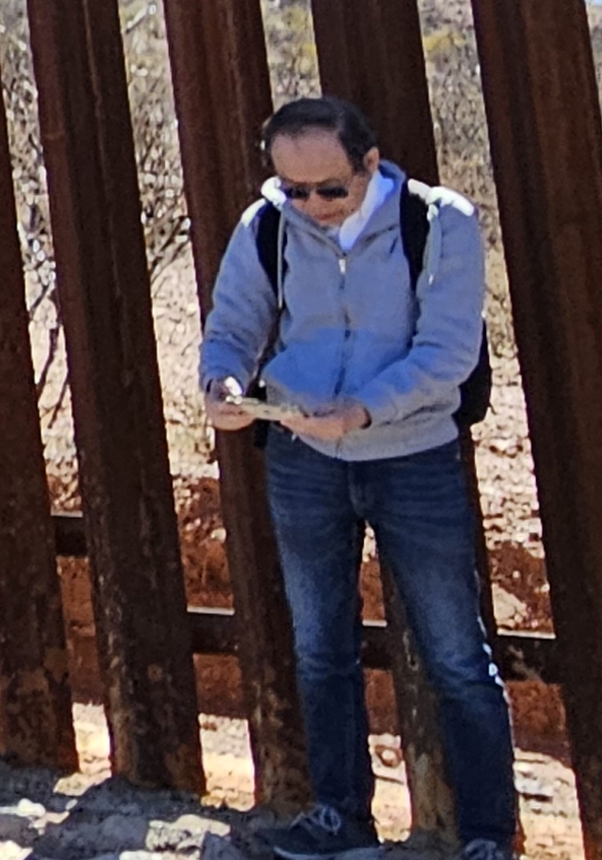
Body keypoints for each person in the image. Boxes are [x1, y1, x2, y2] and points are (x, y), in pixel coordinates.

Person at [204, 95, 515, 860]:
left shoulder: (441, 222)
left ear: (370, 164)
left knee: (454, 655)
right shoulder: (268, 222)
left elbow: (448, 353)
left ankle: (485, 836)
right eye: (293, 190)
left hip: (413, 457)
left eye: (329, 190)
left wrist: (365, 411)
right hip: (302, 459)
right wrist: (220, 384)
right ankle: (341, 822)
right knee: (320, 648)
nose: (310, 207)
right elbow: (234, 321)